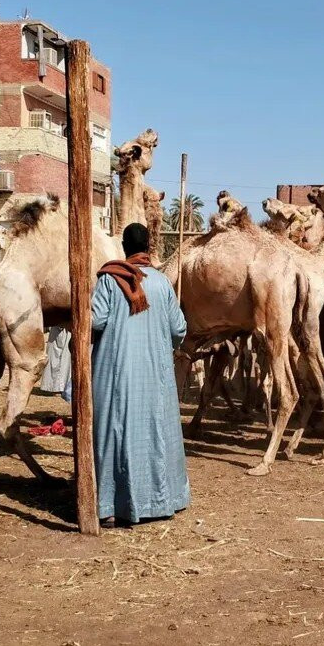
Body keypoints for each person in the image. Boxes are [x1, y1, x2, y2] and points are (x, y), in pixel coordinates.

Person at [91, 222, 189, 527]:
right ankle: (162, 500)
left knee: (114, 432)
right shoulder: (161, 283)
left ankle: (109, 505)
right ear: (149, 246)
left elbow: (95, 321)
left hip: (116, 373)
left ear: (124, 246)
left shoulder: (109, 280)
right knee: (156, 431)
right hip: (155, 375)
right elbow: (179, 329)